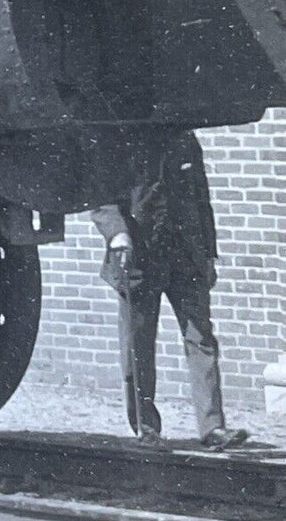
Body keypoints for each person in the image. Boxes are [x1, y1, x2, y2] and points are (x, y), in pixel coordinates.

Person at [90, 129, 248, 451]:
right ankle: (146, 428)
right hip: (139, 258)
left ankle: (213, 428)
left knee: (201, 339)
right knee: (138, 346)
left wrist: (207, 255)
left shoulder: (185, 140)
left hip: (185, 257)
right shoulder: (120, 138)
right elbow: (99, 196)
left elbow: (201, 201)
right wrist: (116, 234)